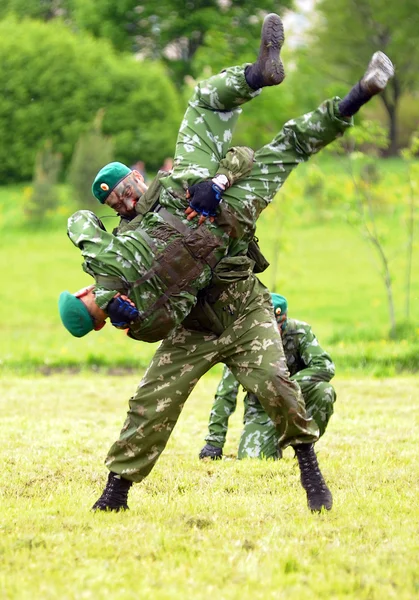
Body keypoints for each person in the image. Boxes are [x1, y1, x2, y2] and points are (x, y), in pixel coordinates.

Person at [59, 14, 394, 513]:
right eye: (116, 200)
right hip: (192, 331)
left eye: (125, 187)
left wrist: (215, 186)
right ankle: (115, 494)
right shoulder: (128, 253)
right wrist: (131, 317)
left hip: (242, 310)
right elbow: (153, 310)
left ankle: (318, 87)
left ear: (135, 176)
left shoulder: (179, 182)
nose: (125, 199)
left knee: (277, 387)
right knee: (150, 404)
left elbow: (241, 155)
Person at [199, 293, 336, 462]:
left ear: (284, 320)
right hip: (262, 412)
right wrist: (214, 442)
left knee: (324, 391)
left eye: (276, 325)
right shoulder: (244, 342)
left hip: (298, 403)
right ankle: (270, 443)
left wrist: (285, 385)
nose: (272, 331)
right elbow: (226, 393)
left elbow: (325, 366)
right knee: (253, 462)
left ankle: (305, 449)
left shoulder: (300, 332)